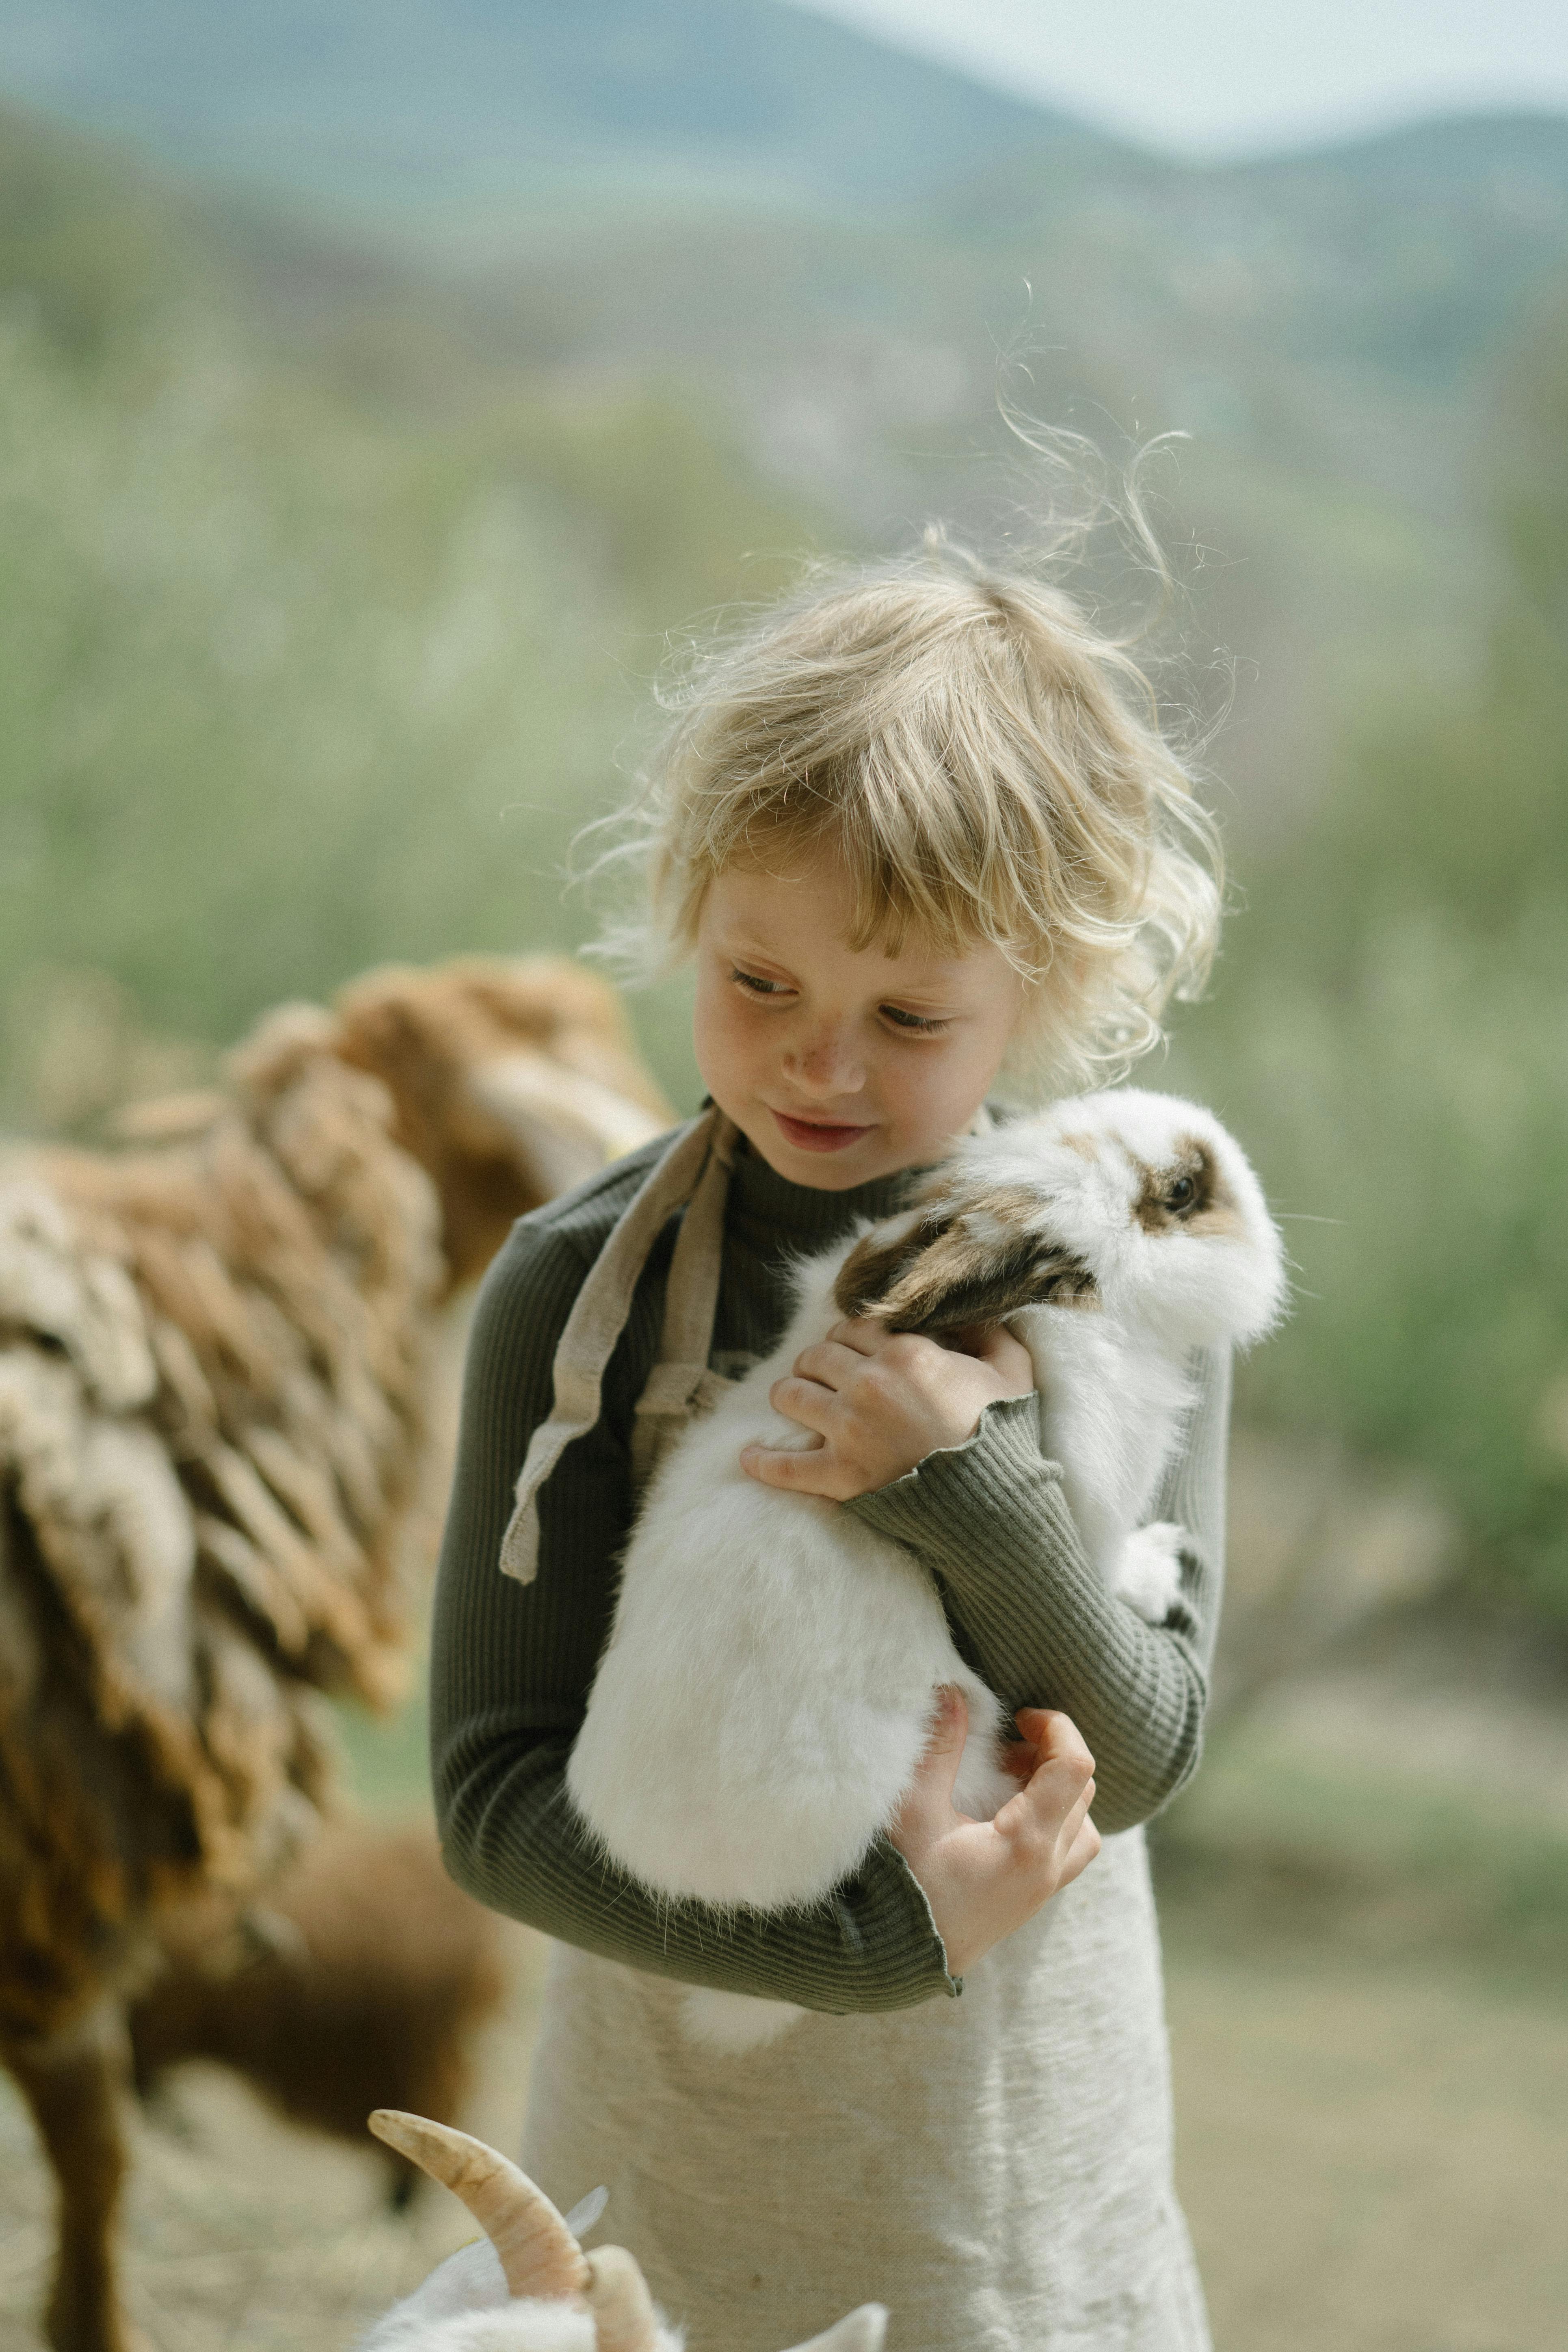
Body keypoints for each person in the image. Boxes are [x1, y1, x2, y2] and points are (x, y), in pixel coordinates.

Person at [429, 534, 1228, 2351]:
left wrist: (966, 1484)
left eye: (911, 1016)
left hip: (1007, 2163)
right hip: (669, 2134)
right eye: (758, 983)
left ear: (1050, 980)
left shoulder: (1129, 1278)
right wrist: (866, 1947)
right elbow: (488, 1795)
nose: (821, 1068)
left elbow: (1156, 1740)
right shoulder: (578, 1294)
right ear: (689, 904)